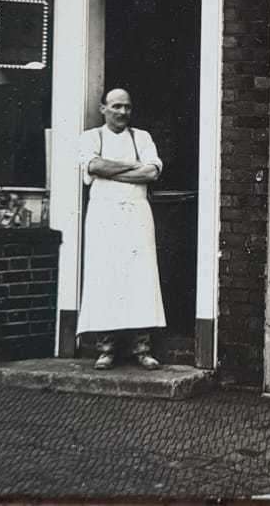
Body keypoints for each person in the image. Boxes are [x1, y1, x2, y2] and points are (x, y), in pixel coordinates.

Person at [77, 88, 167, 370]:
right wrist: (131, 167)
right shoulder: (91, 137)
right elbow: (93, 165)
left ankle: (143, 348)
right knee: (105, 277)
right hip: (103, 216)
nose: (122, 112)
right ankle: (106, 347)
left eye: (127, 107)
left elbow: (152, 172)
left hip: (137, 214)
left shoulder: (142, 137)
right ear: (103, 109)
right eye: (116, 106)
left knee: (140, 278)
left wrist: (110, 169)